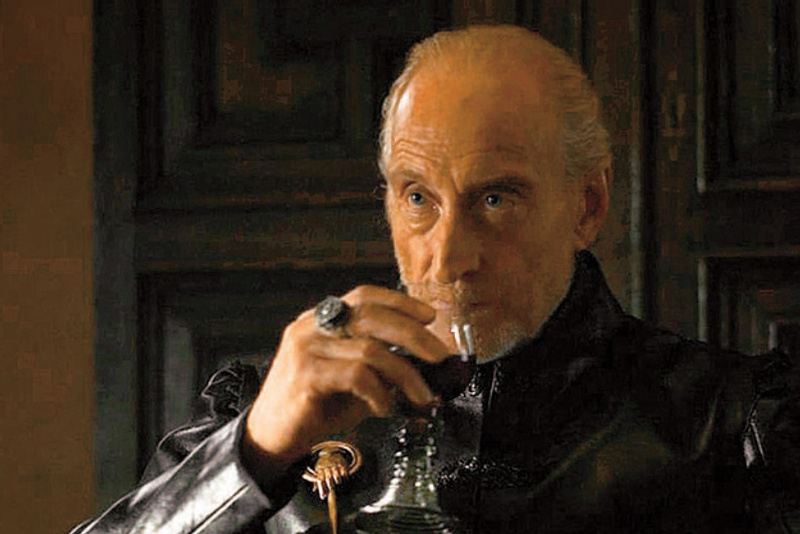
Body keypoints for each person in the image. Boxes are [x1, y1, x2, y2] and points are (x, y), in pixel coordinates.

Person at [72, 25, 799, 533]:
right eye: (418, 197)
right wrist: (256, 450)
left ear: (588, 206)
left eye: (496, 200)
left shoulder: (730, 426)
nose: (447, 259)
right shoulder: (267, 415)